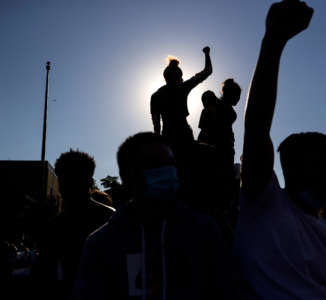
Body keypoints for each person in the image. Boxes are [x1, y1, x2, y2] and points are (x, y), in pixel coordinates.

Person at [232, 1, 326, 299]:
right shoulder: (262, 206)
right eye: (321, 166)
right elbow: (256, 128)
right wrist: (274, 41)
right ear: (291, 169)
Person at [72, 132, 226, 300]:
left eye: (171, 164)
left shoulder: (203, 230)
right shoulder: (101, 244)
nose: (168, 172)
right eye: (156, 164)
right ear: (128, 176)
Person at [34, 150, 115, 300]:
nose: (64, 185)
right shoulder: (110, 217)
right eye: (64, 179)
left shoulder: (111, 219)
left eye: (72, 179)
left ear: (88, 182)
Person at [151, 47, 213, 155]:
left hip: (168, 138)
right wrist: (207, 54)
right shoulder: (182, 88)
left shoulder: (156, 96)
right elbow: (207, 71)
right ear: (176, 77)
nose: (182, 79)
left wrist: (160, 146)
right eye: (181, 77)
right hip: (184, 136)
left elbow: (157, 127)